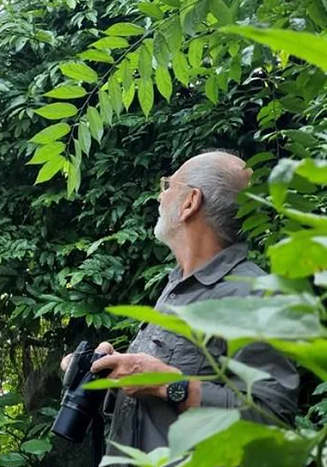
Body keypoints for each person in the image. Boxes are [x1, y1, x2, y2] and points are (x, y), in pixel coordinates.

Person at [61, 151, 299, 454]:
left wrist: (168, 385)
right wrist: (108, 371)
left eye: (167, 186)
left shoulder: (256, 298)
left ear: (190, 202)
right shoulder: (177, 288)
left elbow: (272, 423)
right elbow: (154, 402)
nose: (159, 198)